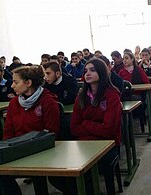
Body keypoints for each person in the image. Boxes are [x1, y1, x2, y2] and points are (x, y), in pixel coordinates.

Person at [50, 58, 122, 195]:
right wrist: (93, 128)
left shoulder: (112, 96)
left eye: (93, 70)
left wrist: (86, 123)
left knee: (85, 170)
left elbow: (108, 130)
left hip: (108, 145)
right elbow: (74, 127)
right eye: (86, 70)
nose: (87, 73)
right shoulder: (81, 97)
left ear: (102, 72)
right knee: (56, 175)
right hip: (83, 144)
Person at [0, 65, 60, 195]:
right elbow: (8, 130)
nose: (12, 86)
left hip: (42, 151)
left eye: (16, 82)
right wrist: (9, 149)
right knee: (0, 172)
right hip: (18, 149)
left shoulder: (48, 101)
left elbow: (52, 132)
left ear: (28, 83)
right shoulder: (14, 103)